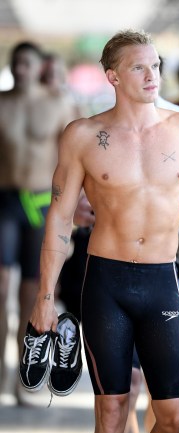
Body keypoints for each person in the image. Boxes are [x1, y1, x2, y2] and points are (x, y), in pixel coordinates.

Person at [29, 29, 179, 433]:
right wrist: (45, 298)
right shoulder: (82, 136)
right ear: (113, 77)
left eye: (156, 66)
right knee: (112, 413)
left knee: (174, 420)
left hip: (162, 283)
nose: (152, 76)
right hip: (105, 284)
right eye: (139, 67)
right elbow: (59, 219)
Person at [0, 41, 76, 402]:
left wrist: (77, 210)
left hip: (43, 203)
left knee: (31, 294)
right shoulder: (1, 103)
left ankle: (20, 378)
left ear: (38, 67)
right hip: (5, 201)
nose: (20, 70)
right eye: (16, 63)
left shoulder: (58, 104)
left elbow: (77, 158)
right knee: (0, 292)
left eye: (27, 63)